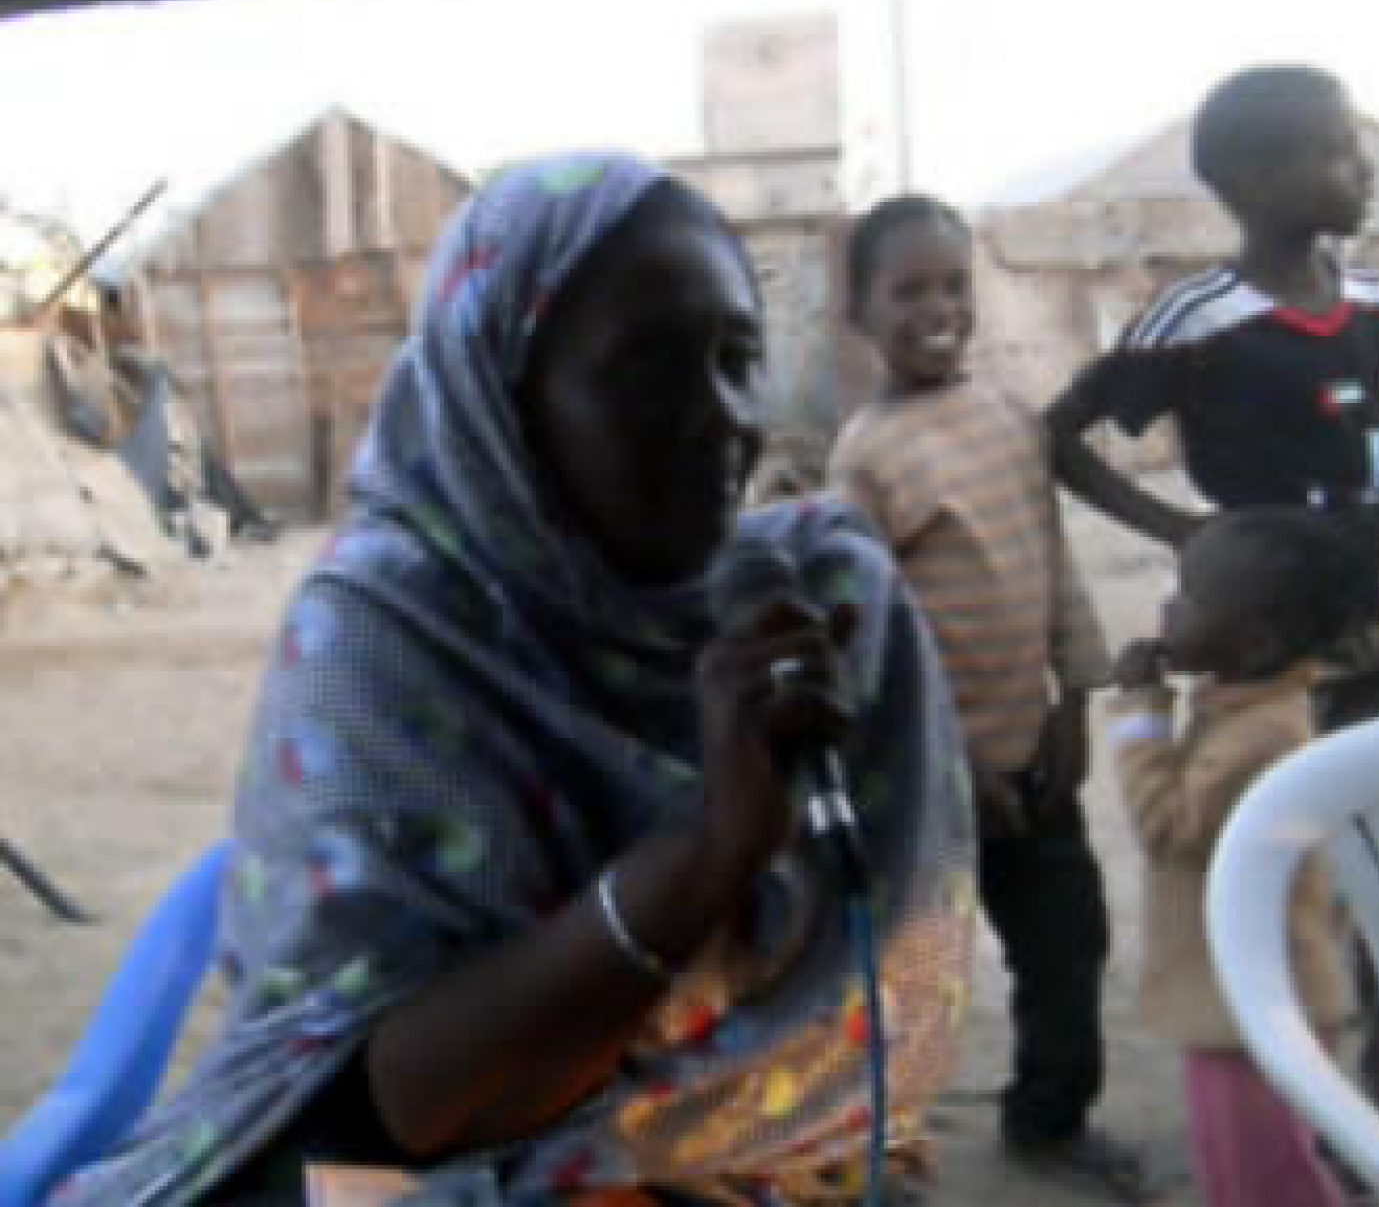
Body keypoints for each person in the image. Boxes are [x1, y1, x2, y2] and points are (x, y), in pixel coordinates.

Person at [50, 155, 976, 1207]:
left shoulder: (807, 605)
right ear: (499, 397)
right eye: (645, 370)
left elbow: (883, 984)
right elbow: (389, 1117)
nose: (719, 415)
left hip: (745, 1148)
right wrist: (705, 854)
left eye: (735, 356)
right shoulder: (387, 638)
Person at [826, 196, 1147, 1200]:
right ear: (859, 312)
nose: (938, 308)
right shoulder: (863, 460)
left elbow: (1050, 565)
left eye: (954, 284)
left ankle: (1048, 1119)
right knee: (914, 973)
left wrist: (1074, 702)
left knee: (1069, 943)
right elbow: (871, 643)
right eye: (908, 290)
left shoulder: (1011, 418)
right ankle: (881, 1147)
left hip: (1035, 764)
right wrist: (955, 760)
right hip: (931, 780)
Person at [1047, 64, 1379, 704]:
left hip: (1369, 649)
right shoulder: (1196, 321)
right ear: (1258, 182)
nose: (1365, 169)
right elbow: (1057, 436)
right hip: (1255, 668)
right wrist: (1178, 529)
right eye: (1337, 152)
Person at [1108, 507, 1379, 1207]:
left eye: (1190, 596)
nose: (1169, 608)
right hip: (1228, 1002)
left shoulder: (1262, 736)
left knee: (1271, 1185)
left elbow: (1167, 826)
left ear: (1254, 640)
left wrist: (1141, 713)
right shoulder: (1237, 705)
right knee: (1235, 1178)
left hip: (1258, 1010)